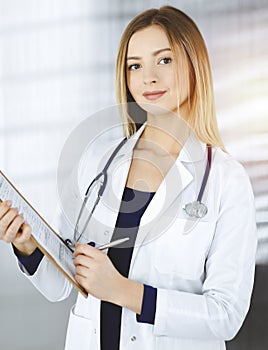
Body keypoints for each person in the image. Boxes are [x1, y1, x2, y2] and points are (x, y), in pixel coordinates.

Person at [0, 5, 257, 350]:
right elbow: (63, 284)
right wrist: (28, 246)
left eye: (164, 60)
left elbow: (226, 315)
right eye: (135, 65)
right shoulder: (98, 160)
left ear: (194, 65)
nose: (148, 77)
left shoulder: (227, 180)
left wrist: (123, 291)